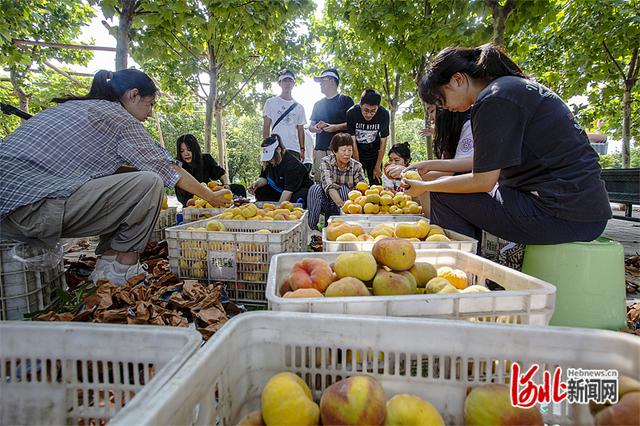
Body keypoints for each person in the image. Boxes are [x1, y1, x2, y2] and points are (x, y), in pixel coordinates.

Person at [0, 69, 231, 285]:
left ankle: (108, 264)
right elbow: (168, 170)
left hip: (10, 208)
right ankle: (124, 267)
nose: (150, 112)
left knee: (139, 181)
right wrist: (211, 197)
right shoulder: (120, 118)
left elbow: (115, 176)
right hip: (33, 208)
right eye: (150, 104)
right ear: (133, 95)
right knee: (150, 182)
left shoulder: (76, 108)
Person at [402, 44, 611, 245]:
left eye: (441, 100)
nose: (445, 108)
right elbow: (489, 161)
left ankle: (463, 271)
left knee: (442, 193)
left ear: (457, 79)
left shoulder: (493, 99)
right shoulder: (508, 88)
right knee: (449, 186)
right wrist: (432, 164)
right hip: (582, 208)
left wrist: (425, 187)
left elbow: (483, 180)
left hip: (563, 213)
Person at [386, 108, 474, 216]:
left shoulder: (468, 127)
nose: (431, 118)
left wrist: (412, 174)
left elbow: (457, 171)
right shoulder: (450, 136)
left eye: (432, 111)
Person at [307, 133, 366, 231]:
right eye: (343, 150)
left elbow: (362, 188)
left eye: (350, 150)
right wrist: (340, 204)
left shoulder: (356, 166)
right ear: (334, 151)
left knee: (344, 189)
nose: (347, 153)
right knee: (314, 189)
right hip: (327, 201)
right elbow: (329, 185)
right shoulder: (326, 162)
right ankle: (311, 229)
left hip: (346, 204)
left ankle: (343, 228)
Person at [309, 68, 354, 183]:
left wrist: (335, 127)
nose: (320, 85)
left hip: (340, 149)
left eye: (322, 81)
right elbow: (311, 126)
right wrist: (316, 128)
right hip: (320, 149)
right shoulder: (317, 104)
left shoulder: (346, 100)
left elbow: (353, 124)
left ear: (332, 81)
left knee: (341, 182)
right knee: (320, 181)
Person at [175, 133, 246, 206]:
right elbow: (181, 195)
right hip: (191, 196)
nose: (186, 153)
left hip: (210, 191)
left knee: (239, 188)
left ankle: (238, 208)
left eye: (189, 150)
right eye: (182, 151)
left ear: (195, 149)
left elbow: (221, 173)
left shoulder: (206, 159)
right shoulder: (177, 165)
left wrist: (226, 185)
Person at [248, 134, 313, 205]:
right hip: (280, 188)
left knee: (297, 199)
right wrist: (256, 183)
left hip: (296, 190)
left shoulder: (292, 165)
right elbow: (264, 178)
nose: (269, 160)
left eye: (271, 157)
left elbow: (288, 191)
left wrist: (278, 210)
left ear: (279, 150)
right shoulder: (268, 162)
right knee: (260, 191)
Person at [346, 89, 390, 185]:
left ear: (378, 107)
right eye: (366, 110)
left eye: (373, 111)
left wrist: (378, 166)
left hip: (374, 154)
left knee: (376, 183)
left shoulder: (384, 114)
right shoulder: (352, 113)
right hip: (357, 152)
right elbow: (352, 141)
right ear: (361, 105)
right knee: (357, 185)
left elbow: (383, 142)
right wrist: (357, 164)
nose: (369, 114)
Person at [262, 70, 307, 160]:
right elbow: (266, 126)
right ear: (280, 83)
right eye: (285, 81)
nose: (288, 84)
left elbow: (300, 129)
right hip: (275, 147)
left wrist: (302, 149)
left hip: (294, 148)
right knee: (275, 174)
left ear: (294, 84)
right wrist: (266, 147)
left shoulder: (299, 107)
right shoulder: (271, 102)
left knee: (293, 174)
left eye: (290, 81)